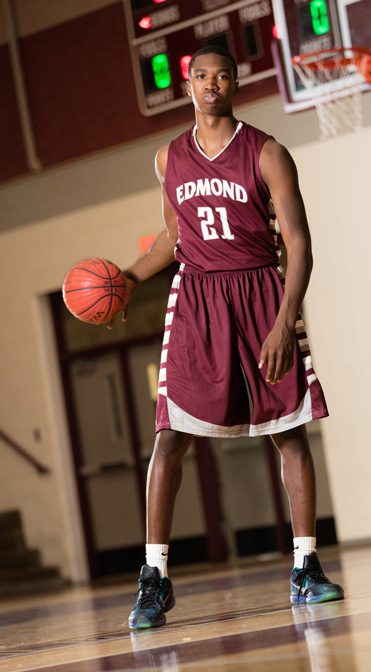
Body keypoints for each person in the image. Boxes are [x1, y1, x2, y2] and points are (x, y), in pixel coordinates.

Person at [122, 45, 344, 630]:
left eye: (222, 76)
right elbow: (172, 239)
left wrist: (284, 318)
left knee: (289, 432)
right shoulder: (168, 158)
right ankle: (154, 577)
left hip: (260, 294)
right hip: (197, 299)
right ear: (188, 86)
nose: (211, 84)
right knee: (170, 435)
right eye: (201, 76)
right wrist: (127, 278)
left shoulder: (268, 152)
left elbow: (297, 242)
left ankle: (305, 566)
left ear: (236, 84)